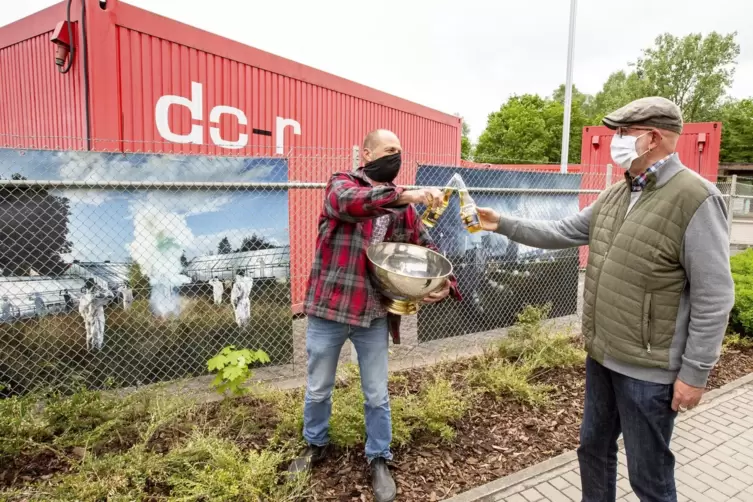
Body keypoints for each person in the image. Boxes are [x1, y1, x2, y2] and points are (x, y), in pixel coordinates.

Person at [475, 97, 734, 502]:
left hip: (649, 371)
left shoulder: (696, 198)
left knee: (649, 478)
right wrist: (502, 223)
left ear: (653, 138)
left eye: (624, 133)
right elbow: (561, 230)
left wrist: (695, 373)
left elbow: (714, 295)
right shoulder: (616, 194)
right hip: (603, 356)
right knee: (593, 450)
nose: (616, 141)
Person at [289, 129, 460, 502]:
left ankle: (379, 457)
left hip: (373, 313)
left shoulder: (404, 208)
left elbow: (424, 246)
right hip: (330, 308)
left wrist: (442, 282)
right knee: (319, 388)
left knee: (377, 394)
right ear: (366, 154)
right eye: (388, 151)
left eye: (399, 151)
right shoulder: (341, 184)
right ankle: (315, 444)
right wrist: (407, 194)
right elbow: (352, 203)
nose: (395, 157)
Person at [79, 279, 113, 351]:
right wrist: (101, 289)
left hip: (88, 317)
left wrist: (85, 316)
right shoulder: (97, 297)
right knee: (98, 333)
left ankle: (89, 348)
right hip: (97, 316)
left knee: (89, 333)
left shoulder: (83, 297)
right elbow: (111, 295)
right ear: (94, 286)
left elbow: (81, 310)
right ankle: (97, 349)